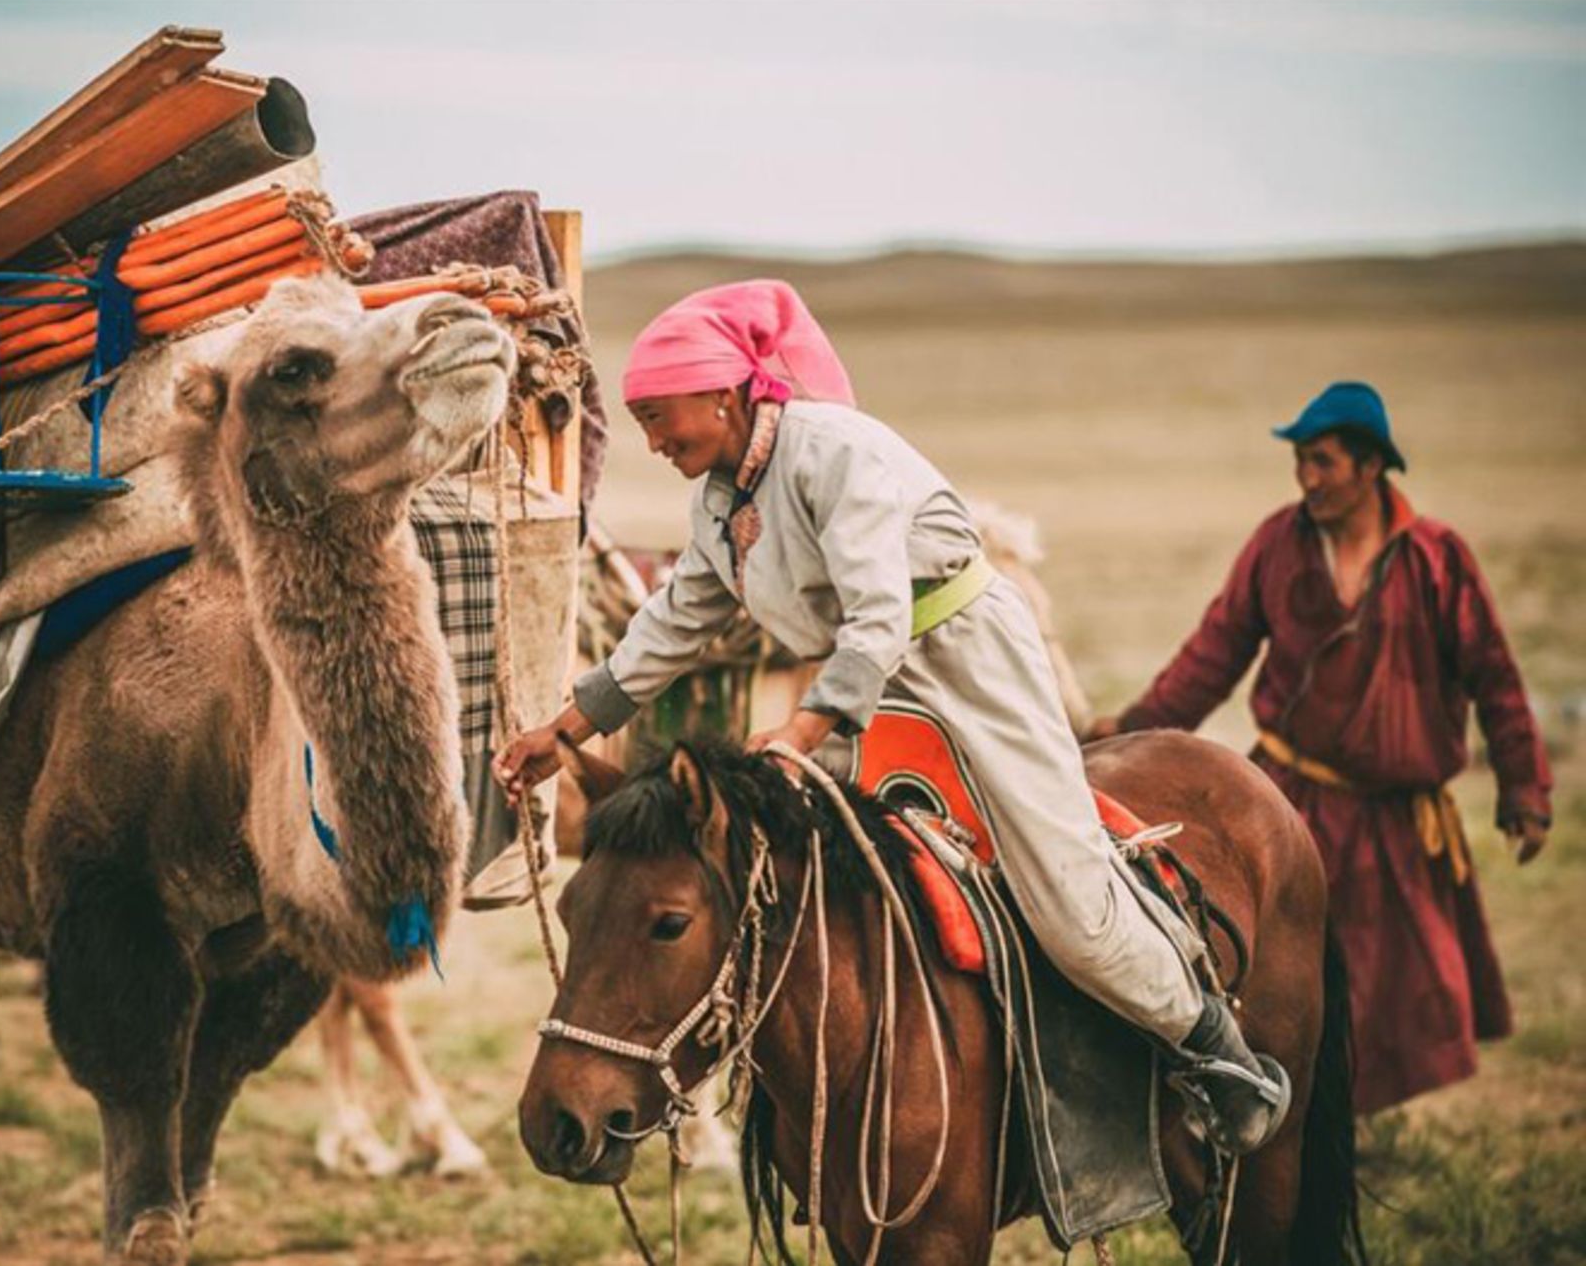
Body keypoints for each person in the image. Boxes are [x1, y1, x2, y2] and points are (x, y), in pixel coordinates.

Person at [496, 280, 1290, 1153]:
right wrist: (563, 730)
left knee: (1068, 901)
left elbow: (878, 615)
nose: (651, 440)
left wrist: (801, 733)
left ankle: (1216, 1049)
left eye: (659, 415)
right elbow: (674, 621)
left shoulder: (836, 452)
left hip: (965, 664)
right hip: (871, 686)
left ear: (723, 393)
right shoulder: (721, 500)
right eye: (640, 420)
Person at [1087, 381, 1552, 1113]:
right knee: (1289, 992)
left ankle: (1355, 1140)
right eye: (1301, 460)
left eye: (1323, 461)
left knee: (1394, 996)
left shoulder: (1437, 557)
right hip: (1294, 807)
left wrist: (1526, 790)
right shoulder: (1278, 544)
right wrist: (1132, 732)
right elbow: (1214, 654)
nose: (1307, 476)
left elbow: (1494, 674)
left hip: (1399, 824)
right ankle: (1297, 1125)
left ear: (1371, 467)